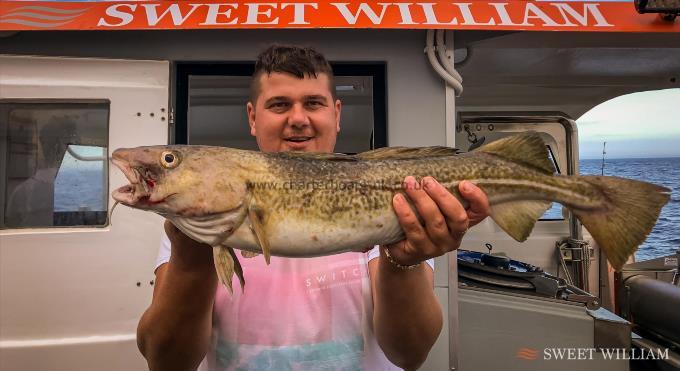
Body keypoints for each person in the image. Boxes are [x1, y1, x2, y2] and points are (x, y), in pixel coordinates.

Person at [137, 45, 490, 371]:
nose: (298, 118)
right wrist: (191, 257)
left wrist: (403, 262)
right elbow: (166, 362)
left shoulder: (390, 198)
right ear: (252, 117)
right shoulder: (191, 224)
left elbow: (410, 354)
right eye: (279, 105)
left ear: (336, 114)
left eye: (313, 103)